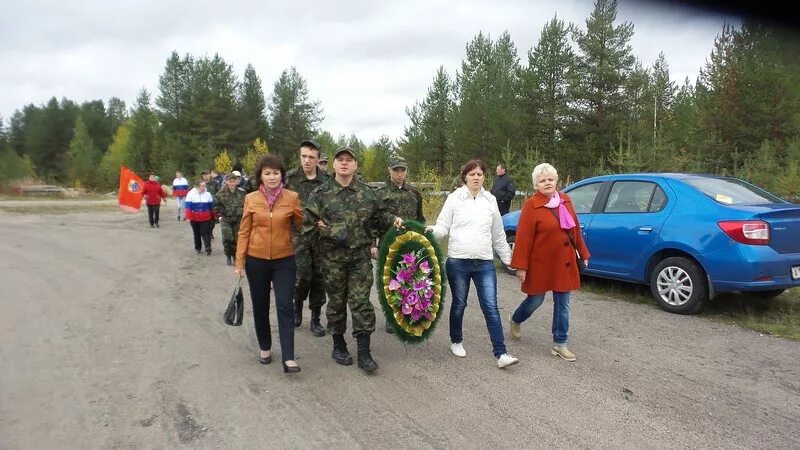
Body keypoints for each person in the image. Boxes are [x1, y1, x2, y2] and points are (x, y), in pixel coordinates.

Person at [303, 147, 403, 373]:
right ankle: (339, 346)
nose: (344, 163)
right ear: (334, 165)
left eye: (349, 160)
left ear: (356, 165)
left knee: (361, 303)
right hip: (332, 261)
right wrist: (330, 231)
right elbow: (307, 225)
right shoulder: (320, 194)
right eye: (340, 160)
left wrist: (393, 219)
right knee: (337, 303)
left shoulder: (368, 193)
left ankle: (364, 353)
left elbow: (379, 216)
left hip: (359, 258)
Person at [427, 159, 519, 369]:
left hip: (485, 263)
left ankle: (501, 353)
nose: (476, 177)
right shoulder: (454, 199)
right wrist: (432, 230)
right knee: (460, 303)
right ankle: (456, 341)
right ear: (465, 177)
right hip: (458, 261)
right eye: (472, 174)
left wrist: (509, 261)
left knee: (490, 306)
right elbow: (443, 226)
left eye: (479, 174)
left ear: (484, 177)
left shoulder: (490, 200)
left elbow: (497, 234)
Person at [508, 163, 590, 362]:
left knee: (563, 304)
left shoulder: (565, 200)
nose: (547, 183)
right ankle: (516, 319)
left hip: (564, 262)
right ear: (536, 185)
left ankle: (560, 343)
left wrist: (583, 253)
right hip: (540, 264)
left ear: (556, 181)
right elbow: (524, 238)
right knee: (535, 300)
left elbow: (575, 231)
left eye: (550, 179)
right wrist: (521, 266)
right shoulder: (531, 205)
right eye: (542, 180)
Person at [235, 155, 303, 373]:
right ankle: (265, 346)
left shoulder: (292, 197)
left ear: (281, 174)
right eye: (267, 173)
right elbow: (244, 231)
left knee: (285, 305)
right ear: (260, 176)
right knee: (260, 306)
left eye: (276, 172)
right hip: (256, 260)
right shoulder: (251, 199)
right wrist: (239, 262)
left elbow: (303, 224)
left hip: (285, 260)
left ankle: (289, 357)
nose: (272, 177)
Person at [374, 155, 425, 334]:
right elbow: (374, 219)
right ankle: (390, 316)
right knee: (390, 281)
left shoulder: (414, 194)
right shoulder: (380, 194)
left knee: (408, 280)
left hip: (409, 246)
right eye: (396, 170)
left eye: (402, 170)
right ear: (389, 170)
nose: (400, 173)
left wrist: (422, 240)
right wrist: (374, 243)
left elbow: (420, 219)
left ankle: (406, 313)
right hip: (388, 243)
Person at [285, 139, 330, 337]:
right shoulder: (289, 178)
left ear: (318, 159)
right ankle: (297, 309)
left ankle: (316, 318)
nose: (306, 160)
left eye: (311, 157)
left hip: (320, 237)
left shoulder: (328, 180)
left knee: (319, 278)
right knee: (302, 275)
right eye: (303, 156)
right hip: (298, 235)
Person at [214, 170, 247, 266]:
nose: (232, 183)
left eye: (234, 181)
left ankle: (235, 257)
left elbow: (246, 205)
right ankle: (228, 255)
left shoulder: (242, 193)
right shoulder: (220, 194)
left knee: (237, 239)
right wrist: (226, 212)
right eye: (230, 181)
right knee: (227, 238)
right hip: (226, 220)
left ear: (237, 181)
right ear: (226, 182)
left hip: (238, 220)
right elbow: (216, 207)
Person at [185, 179, 215, 255]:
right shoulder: (190, 194)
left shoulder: (208, 194)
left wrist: (214, 216)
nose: (204, 187)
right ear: (197, 187)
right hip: (194, 217)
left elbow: (211, 207)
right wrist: (188, 217)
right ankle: (198, 248)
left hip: (205, 217)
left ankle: (208, 248)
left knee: (205, 232)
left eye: (205, 185)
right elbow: (188, 207)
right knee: (196, 233)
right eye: (202, 186)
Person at [202, 170, 219, 239]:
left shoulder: (215, 183)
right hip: (203, 206)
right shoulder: (201, 184)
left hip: (213, 205)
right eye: (204, 175)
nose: (205, 176)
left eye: (206, 174)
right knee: (205, 221)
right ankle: (207, 234)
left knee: (213, 222)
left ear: (210, 175)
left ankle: (210, 231)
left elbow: (219, 193)